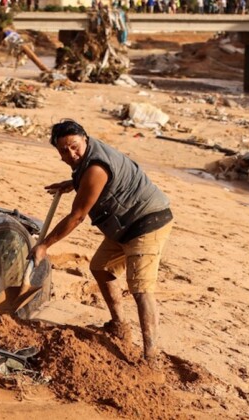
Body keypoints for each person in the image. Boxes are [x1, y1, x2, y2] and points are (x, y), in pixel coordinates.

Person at [30, 120, 173, 363]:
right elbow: (91, 184)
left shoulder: (96, 168)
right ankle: (119, 325)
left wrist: (44, 245)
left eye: (74, 147)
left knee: (141, 289)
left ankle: (151, 356)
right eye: (63, 150)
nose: (71, 154)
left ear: (85, 138)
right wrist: (73, 184)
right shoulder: (88, 161)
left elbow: (77, 216)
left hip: (147, 222)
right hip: (124, 224)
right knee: (100, 267)